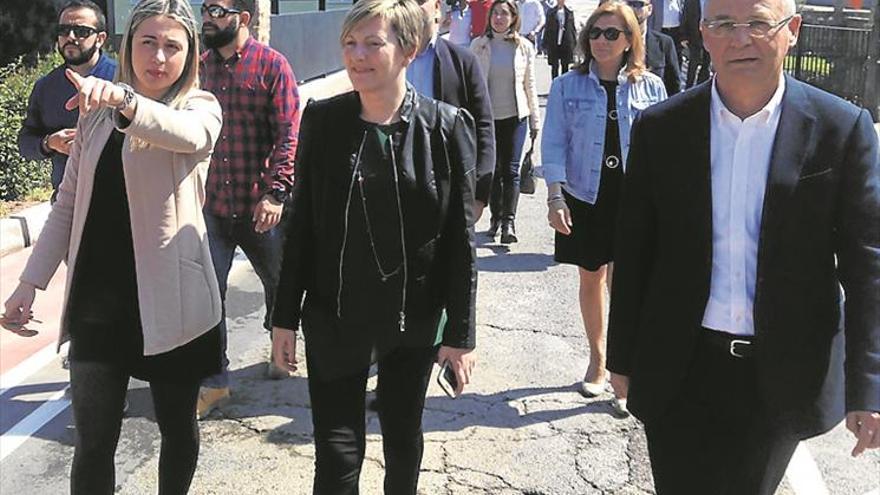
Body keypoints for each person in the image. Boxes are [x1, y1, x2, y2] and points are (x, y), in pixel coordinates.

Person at [606, 0, 880, 491]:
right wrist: (622, 357)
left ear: (791, 30)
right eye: (724, 25)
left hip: (779, 373)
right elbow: (635, 252)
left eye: (758, 23)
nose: (740, 39)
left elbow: (867, 266)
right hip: (679, 365)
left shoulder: (842, 129)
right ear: (704, 35)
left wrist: (870, 386)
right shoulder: (662, 129)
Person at [2, 0, 223, 493]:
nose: (159, 57)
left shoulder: (199, 108)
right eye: (148, 42)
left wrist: (125, 103)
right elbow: (67, 204)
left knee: (177, 431)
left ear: (189, 56)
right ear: (128, 47)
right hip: (98, 305)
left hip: (175, 304)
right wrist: (28, 283)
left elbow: (186, 135)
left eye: (173, 46)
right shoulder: (95, 118)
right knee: (94, 442)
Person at [269, 0, 478, 492]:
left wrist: (461, 334)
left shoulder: (446, 127)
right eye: (349, 43)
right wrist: (284, 317)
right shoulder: (322, 121)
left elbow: (459, 241)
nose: (357, 56)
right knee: (337, 455)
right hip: (335, 315)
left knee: (403, 440)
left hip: (415, 318)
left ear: (408, 50)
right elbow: (301, 227)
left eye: (372, 43)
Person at [542, 1, 666, 411]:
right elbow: (554, 141)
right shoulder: (567, 86)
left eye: (612, 33)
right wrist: (555, 196)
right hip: (586, 194)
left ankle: (623, 368)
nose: (601, 40)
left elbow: (664, 151)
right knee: (591, 277)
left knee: (627, 284)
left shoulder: (651, 87)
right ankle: (598, 360)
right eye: (595, 32)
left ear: (630, 39)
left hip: (635, 198)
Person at [197, 0, 300, 418]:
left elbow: (289, 135)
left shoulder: (272, 65)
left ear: (242, 18)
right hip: (212, 207)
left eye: (216, 10)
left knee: (282, 285)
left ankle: (279, 345)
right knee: (207, 296)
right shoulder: (198, 68)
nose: (206, 18)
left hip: (262, 208)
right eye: (203, 9)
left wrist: (276, 194)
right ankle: (215, 380)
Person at [17, 0, 117, 203]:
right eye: (63, 30)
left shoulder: (123, 79)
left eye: (81, 31)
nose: (70, 37)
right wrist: (49, 143)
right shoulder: (46, 87)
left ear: (100, 38)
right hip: (66, 201)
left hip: (120, 202)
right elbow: (26, 142)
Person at [410, 0, 496, 219]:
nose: (412, 7)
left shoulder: (463, 61)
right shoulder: (384, 60)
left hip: (449, 187)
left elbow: (483, 125)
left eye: (420, 1)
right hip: (396, 185)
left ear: (437, 7)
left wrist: (479, 193)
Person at [471, 0, 541, 243]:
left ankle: (508, 223)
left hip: (516, 115)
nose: (499, 18)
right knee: (493, 170)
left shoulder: (524, 47)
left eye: (504, 13)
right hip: (487, 118)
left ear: (513, 18)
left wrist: (535, 119)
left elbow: (530, 85)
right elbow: (472, 85)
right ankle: (495, 216)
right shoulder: (478, 45)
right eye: (495, 13)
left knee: (511, 170)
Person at [621, 0, 682, 95]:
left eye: (638, 4)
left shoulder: (664, 43)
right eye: (629, 4)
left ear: (649, 9)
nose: (632, 9)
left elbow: (674, 86)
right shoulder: (613, 41)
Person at [542, 0, 576, 78]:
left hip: (566, 42)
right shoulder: (551, 12)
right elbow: (547, 28)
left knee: (565, 65)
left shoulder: (569, 12)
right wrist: (545, 43)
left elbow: (572, 29)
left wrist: (574, 43)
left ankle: (564, 84)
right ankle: (555, 83)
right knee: (554, 66)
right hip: (553, 42)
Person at [680, 0, 710, 87]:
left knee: (706, 63)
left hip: (709, 34)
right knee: (693, 63)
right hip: (694, 35)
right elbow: (685, 16)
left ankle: (703, 86)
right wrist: (684, 36)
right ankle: (689, 87)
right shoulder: (691, 1)